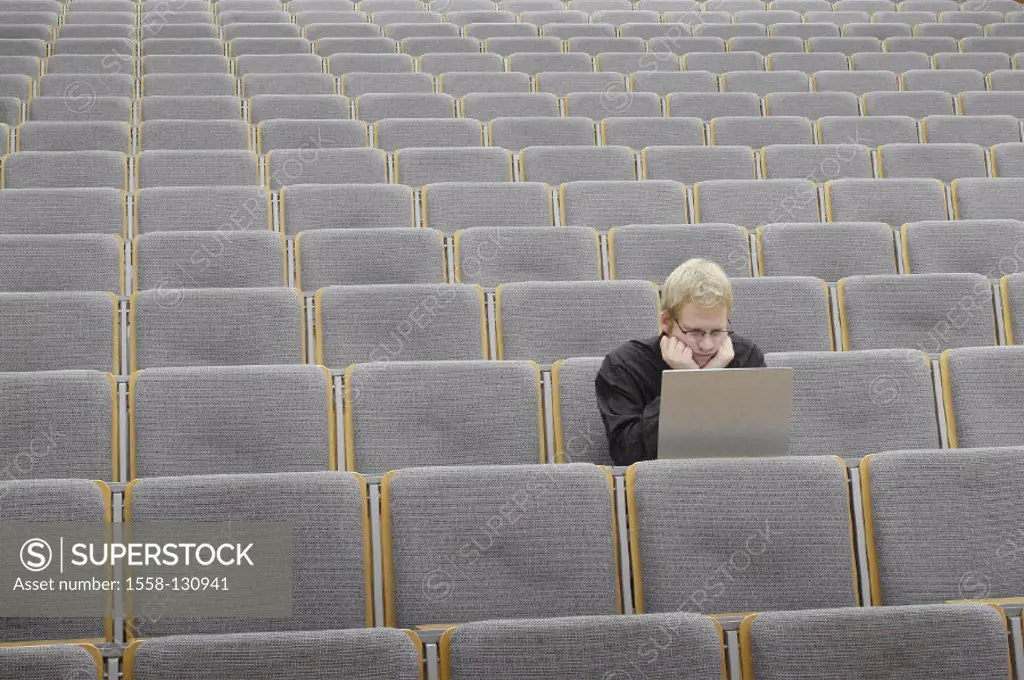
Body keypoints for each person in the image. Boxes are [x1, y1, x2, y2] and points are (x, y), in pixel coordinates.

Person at [595, 258, 765, 466]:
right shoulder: (622, 365)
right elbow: (628, 454)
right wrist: (687, 384)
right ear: (665, 321)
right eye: (695, 332)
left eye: (717, 331)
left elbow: (762, 446)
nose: (707, 345)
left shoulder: (746, 356)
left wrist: (706, 378)